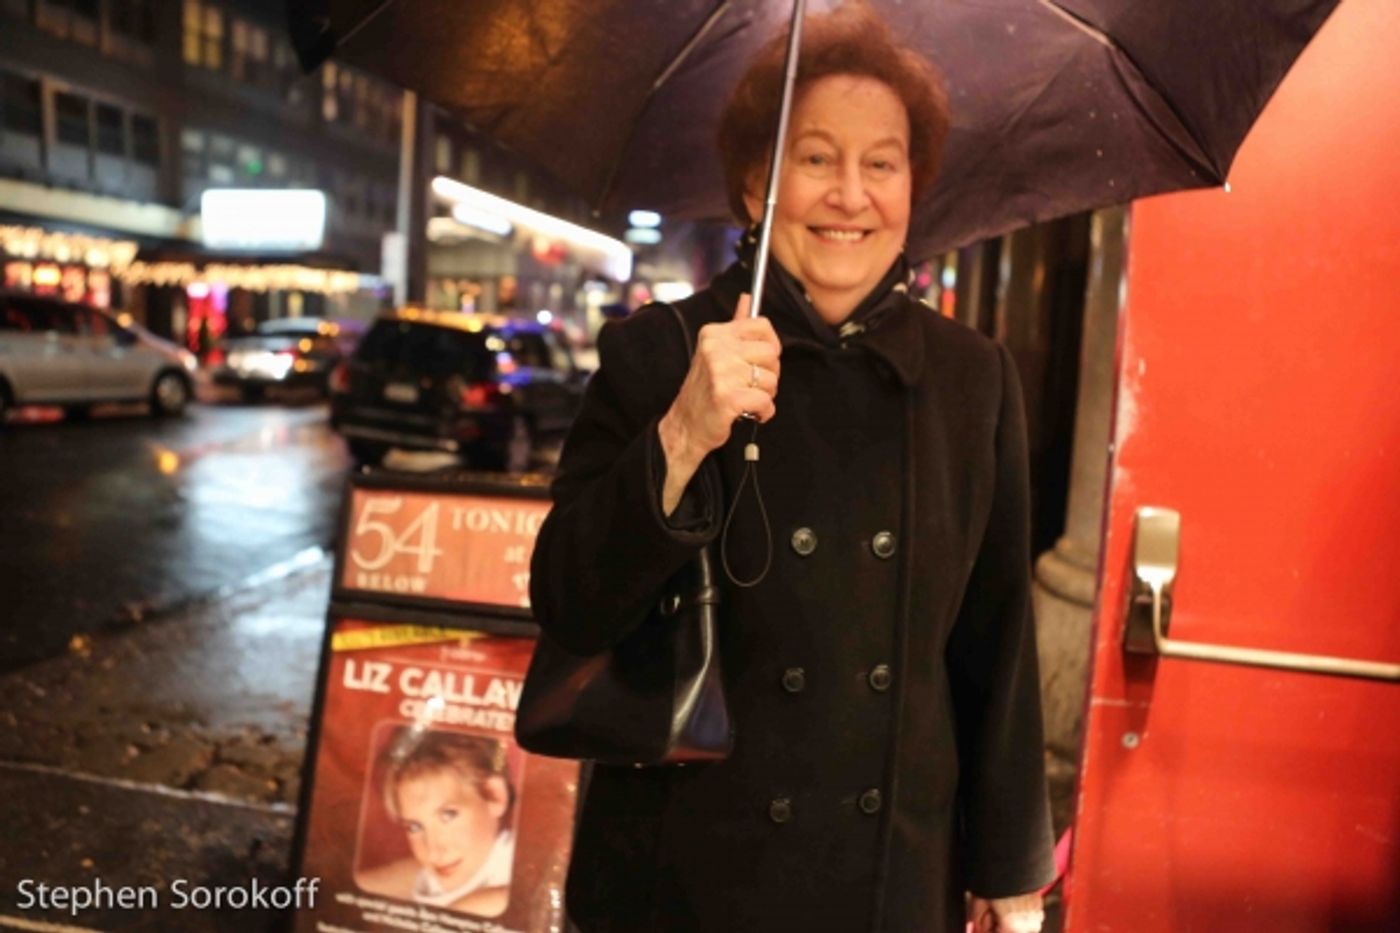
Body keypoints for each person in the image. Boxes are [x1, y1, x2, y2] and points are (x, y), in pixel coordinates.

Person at [528, 4, 1055, 930]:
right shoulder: (662, 351)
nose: (850, 194)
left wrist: (1009, 865)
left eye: (881, 163)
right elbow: (569, 598)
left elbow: (996, 638)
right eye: (816, 158)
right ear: (753, 184)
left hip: (889, 879)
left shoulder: (975, 378)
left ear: (912, 185)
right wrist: (682, 434)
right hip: (682, 876)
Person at [354, 729, 516, 917]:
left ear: (494, 796)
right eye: (414, 827)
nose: (433, 850)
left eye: (448, 815)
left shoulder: (517, 868)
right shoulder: (434, 873)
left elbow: (514, 900)